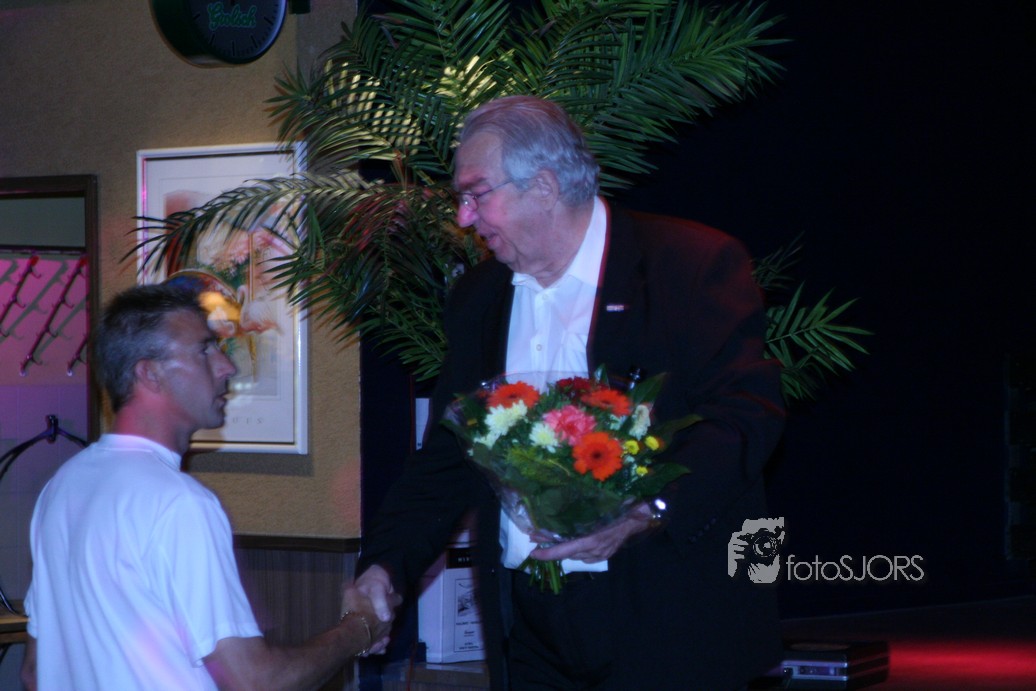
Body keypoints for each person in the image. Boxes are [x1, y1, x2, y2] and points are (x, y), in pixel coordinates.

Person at [350, 95, 786, 689]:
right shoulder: (480, 296)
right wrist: (384, 565)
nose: (464, 219)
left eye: (477, 194)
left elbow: (745, 417)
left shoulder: (688, 265)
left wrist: (644, 512)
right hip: (527, 628)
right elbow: (449, 458)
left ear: (545, 186)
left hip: (668, 617)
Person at [21, 283, 397, 690]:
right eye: (204, 350)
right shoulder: (179, 503)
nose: (227, 366)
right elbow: (255, 681)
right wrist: (359, 629)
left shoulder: (62, 487)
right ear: (149, 373)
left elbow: (34, 671)